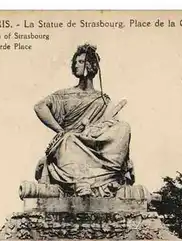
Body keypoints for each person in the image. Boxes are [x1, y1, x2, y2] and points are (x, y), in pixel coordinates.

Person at [34, 43, 134, 197]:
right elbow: (39, 107)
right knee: (69, 139)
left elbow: (112, 124)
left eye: (80, 62)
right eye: (75, 62)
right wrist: (60, 131)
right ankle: (80, 182)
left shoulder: (103, 100)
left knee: (124, 127)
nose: (75, 65)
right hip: (71, 142)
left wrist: (96, 131)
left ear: (91, 65)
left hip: (95, 143)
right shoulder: (65, 95)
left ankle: (107, 174)